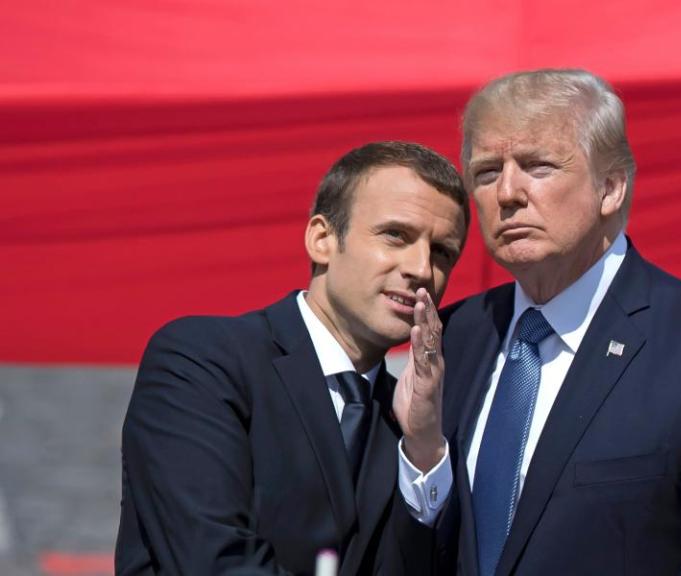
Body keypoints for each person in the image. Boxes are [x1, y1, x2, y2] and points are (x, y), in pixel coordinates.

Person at [438, 69, 681, 575]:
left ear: (611, 187)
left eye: (538, 166)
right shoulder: (450, 341)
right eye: (486, 172)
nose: (507, 192)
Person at [116, 141, 465, 575]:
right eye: (396, 235)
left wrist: (423, 449)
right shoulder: (202, 359)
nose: (420, 268)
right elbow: (212, 559)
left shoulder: (415, 426)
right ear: (322, 239)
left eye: (442, 252)